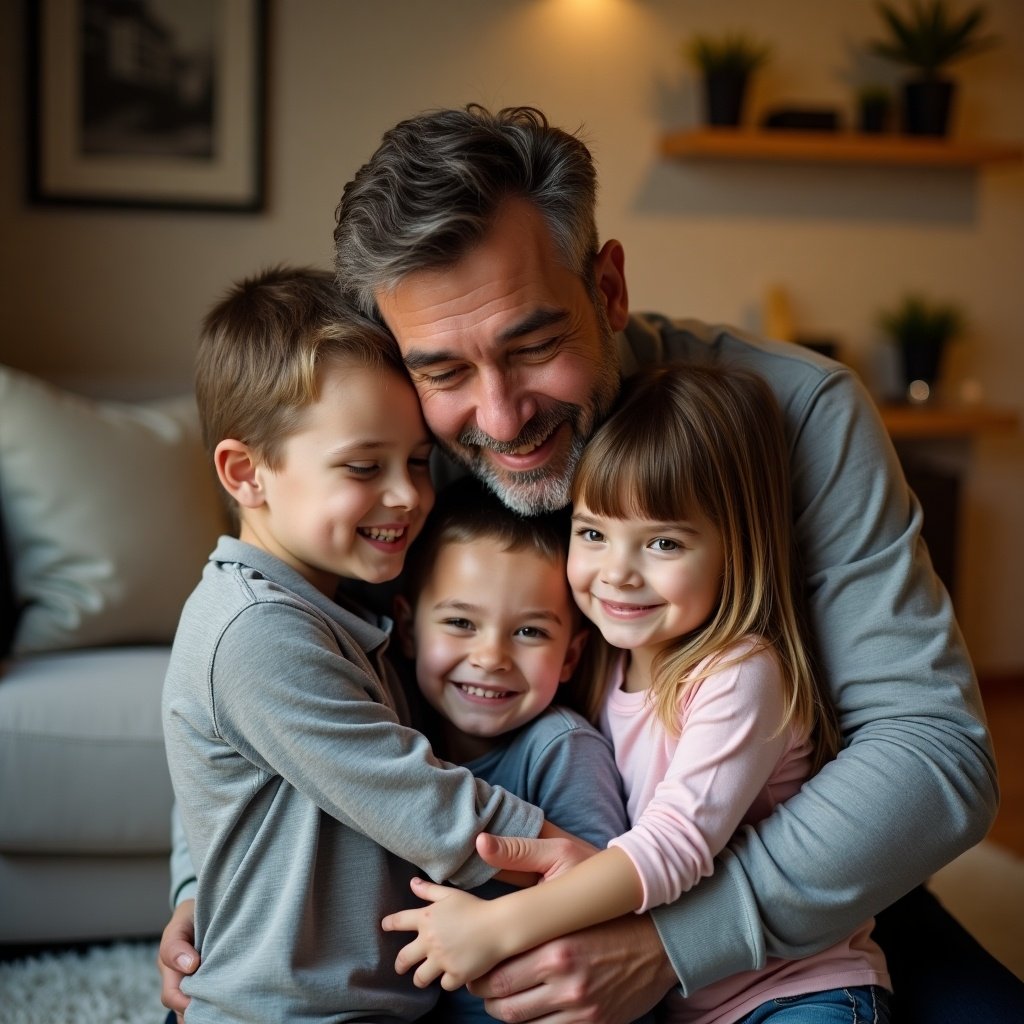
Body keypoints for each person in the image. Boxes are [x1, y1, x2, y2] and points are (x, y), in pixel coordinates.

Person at [161, 106, 1019, 1022]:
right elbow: (270, 675)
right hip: (495, 902)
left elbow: (936, 757)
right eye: (444, 370)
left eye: (533, 346)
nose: (498, 419)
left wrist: (667, 944)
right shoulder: (404, 452)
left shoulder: (796, 416)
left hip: (769, 872)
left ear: (607, 288)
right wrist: (197, 881)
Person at [383, 365, 891, 1024]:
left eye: (663, 542)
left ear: (735, 552)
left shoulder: (739, 673)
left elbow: (673, 847)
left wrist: (500, 925)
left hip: (796, 994)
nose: (618, 573)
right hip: (680, 1003)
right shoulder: (603, 663)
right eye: (593, 533)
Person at [161, 266, 556, 1024]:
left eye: (416, 462)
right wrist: (604, 870)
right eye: (363, 467)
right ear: (247, 474)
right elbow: (430, 807)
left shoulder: (334, 594)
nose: (408, 495)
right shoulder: (257, 632)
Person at [393, 475, 636, 1023]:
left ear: (571, 656)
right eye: (460, 623)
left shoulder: (562, 748)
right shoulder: (392, 727)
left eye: (529, 633)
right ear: (409, 629)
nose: (491, 656)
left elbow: (604, 902)